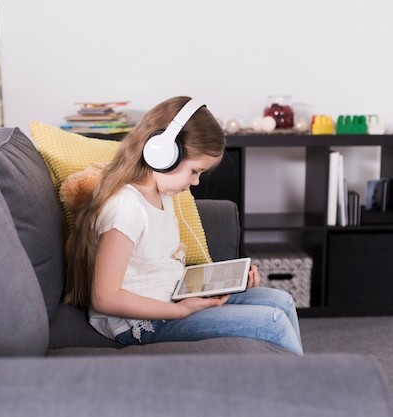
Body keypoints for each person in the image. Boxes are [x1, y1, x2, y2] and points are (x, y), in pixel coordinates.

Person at [64, 96, 303, 355]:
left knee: (282, 302)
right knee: (272, 323)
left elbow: (159, 266)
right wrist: (179, 310)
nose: (197, 182)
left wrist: (225, 283)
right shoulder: (125, 207)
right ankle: (312, 392)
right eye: (195, 171)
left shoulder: (163, 196)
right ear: (162, 152)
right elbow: (105, 297)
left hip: (172, 298)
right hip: (143, 322)